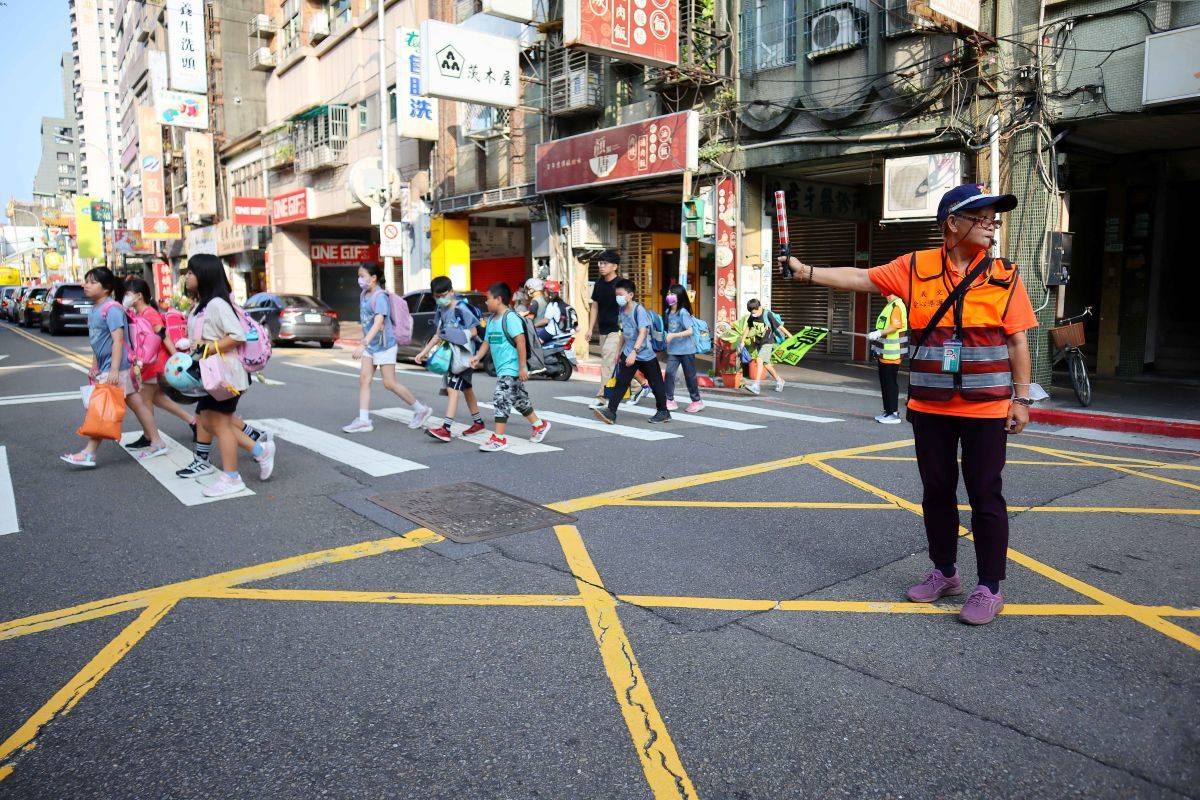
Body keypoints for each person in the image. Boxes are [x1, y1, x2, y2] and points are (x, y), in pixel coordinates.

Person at [779, 183, 1036, 625]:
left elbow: (1017, 340)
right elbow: (861, 278)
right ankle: (945, 571)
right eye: (982, 215)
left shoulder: (1005, 275)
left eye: (995, 215)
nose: (992, 222)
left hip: (986, 409)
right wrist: (805, 272)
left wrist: (1023, 398)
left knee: (985, 495)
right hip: (930, 406)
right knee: (937, 492)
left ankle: (989, 586)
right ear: (951, 223)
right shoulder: (914, 267)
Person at [184, 254, 276, 498]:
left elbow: (237, 336)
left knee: (219, 423)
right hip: (212, 374)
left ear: (204, 275)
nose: (186, 277)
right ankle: (259, 451)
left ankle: (232, 476)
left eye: (190, 273)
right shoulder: (202, 305)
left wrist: (208, 348)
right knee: (209, 420)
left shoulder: (217, 304)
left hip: (226, 375)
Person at [61, 267, 171, 467]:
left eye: (92, 282)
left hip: (117, 366)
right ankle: (157, 441)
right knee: (136, 402)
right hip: (110, 366)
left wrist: (112, 370)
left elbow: (117, 341)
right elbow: (96, 340)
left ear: (106, 288)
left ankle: (89, 452)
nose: (86, 285)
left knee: (103, 407)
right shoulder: (95, 309)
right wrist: (94, 366)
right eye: (86, 281)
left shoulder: (112, 309)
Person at [342, 264, 432, 434]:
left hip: (384, 345)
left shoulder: (380, 297)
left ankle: (421, 409)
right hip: (371, 345)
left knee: (389, 383)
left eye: (362, 275)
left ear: (373, 278)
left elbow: (378, 322)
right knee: (364, 379)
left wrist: (363, 343)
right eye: (359, 276)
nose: (359, 279)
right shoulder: (364, 294)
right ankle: (363, 420)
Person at [470, 282, 551, 452]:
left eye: (488, 299)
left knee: (501, 397)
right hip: (503, 368)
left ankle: (498, 438)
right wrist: (477, 357)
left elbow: (520, 342)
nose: (486, 303)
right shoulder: (492, 319)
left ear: (498, 299)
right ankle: (539, 425)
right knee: (518, 399)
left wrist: (522, 367)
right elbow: (487, 341)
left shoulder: (511, 318)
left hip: (511, 368)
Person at [122, 277, 198, 448]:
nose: (125, 297)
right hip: (148, 364)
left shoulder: (149, 313)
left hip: (156, 363)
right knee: (157, 399)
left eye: (128, 293)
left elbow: (164, 336)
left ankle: (150, 436)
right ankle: (193, 422)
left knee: (143, 400)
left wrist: (178, 359)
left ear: (139, 296)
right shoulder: (138, 313)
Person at [413, 275, 486, 442]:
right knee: (466, 389)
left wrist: (456, 335)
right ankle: (478, 423)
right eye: (437, 297)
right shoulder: (441, 311)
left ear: (452, 292)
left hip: (465, 358)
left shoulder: (462, 309)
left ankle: (446, 429)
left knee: (453, 390)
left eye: (443, 295)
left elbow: (474, 332)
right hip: (454, 358)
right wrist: (423, 352)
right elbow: (438, 335)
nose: (440, 299)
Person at [593, 279, 670, 425]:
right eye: (617, 294)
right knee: (621, 382)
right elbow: (623, 332)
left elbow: (643, 332)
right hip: (628, 352)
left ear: (630, 295)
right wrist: (618, 352)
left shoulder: (638, 310)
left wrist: (634, 352)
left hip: (644, 354)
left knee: (656, 383)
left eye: (620, 294)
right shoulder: (621, 310)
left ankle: (663, 411)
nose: (618, 298)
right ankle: (611, 412)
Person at [585, 250, 629, 408]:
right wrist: (590, 328)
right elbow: (595, 306)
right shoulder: (598, 284)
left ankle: (602, 397)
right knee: (620, 362)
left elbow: (628, 307)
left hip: (617, 330)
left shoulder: (621, 284)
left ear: (615, 266)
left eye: (605, 263)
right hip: (603, 329)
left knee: (607, 362)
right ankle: (640, 385)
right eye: (600, 263)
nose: (601, 266)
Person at [736, 299, 791, 395]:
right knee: (767, 364)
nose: (754, 314)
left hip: (768, 342)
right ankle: (779, 380)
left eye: (755, 312)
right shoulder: (752, 315)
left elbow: (779, 326)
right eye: (752, 313)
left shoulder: (767, 314)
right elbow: (748, 327)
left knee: (759, 360)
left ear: (760, 307)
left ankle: (756, 386)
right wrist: (743, 341)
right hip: (759, 342)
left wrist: (790, 336)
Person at [663, 284, 703, 413]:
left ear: (679, 296)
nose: (669, 296)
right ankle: (669, 400)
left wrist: (673, 335)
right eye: (668, 293)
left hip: (686, 350)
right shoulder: (668, 312)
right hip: (673, 350)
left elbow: (690, 331)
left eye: (672, 294)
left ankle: (696, 401)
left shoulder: (683, 312)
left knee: (690, 376)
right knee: (669, 373)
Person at [870, 294, 907, 424]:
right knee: (885, 383)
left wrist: (878, 333)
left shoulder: (897, 305)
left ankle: (893, 413)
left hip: (892, 353)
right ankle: (888, 412)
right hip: (884, 353)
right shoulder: (890, 305)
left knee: (890, 383)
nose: (881, 292)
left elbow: (895, 326)